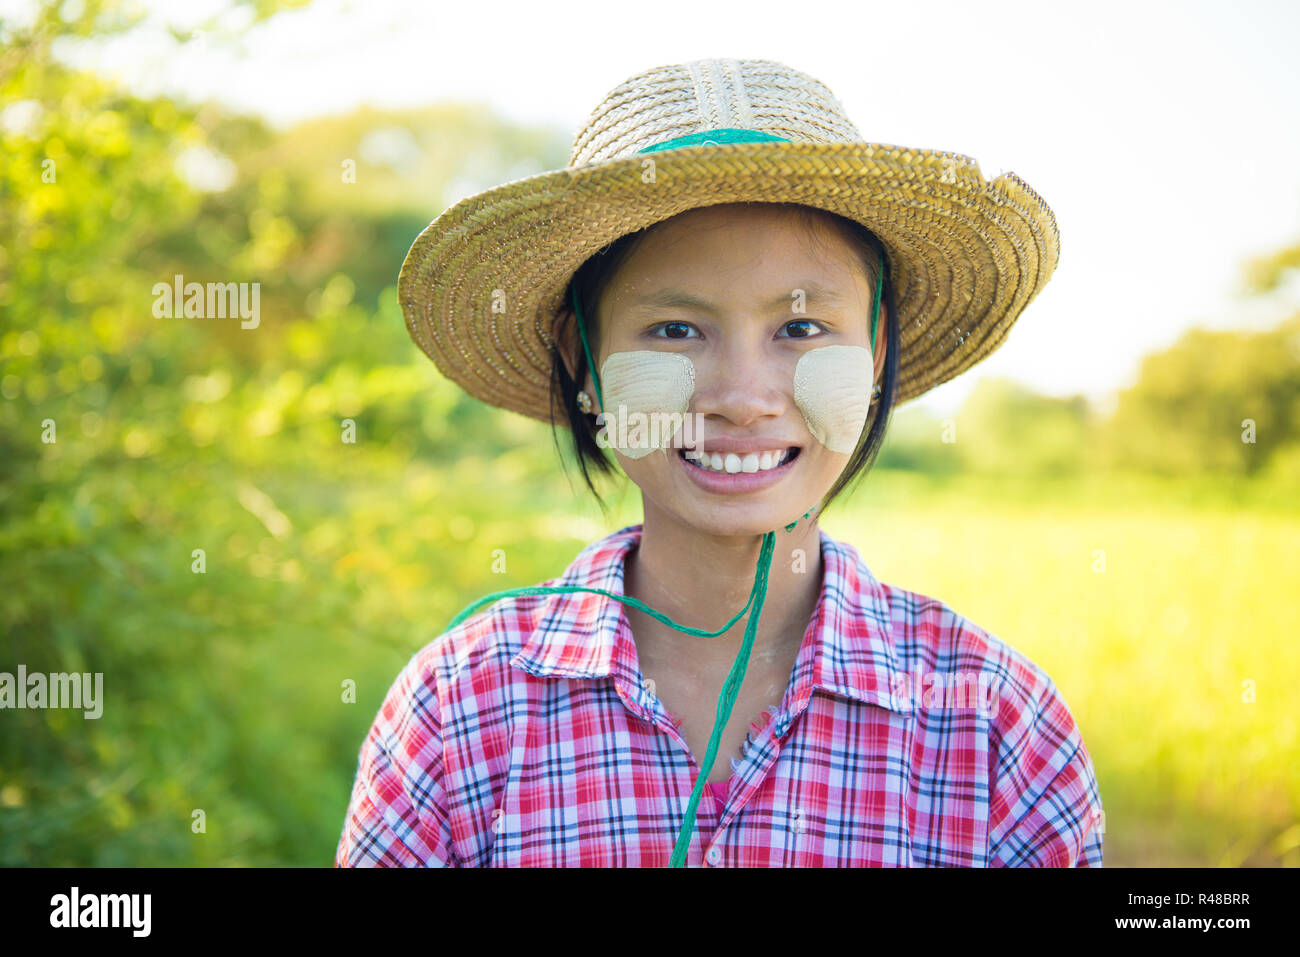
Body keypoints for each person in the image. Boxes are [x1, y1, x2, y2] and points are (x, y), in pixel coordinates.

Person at [335, 57, 1104, 867]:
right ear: (584, 359)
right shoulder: (460, 712)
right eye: (674, 328)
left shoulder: (996, 727)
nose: (742, 397)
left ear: (876, 354)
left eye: (801, 329)